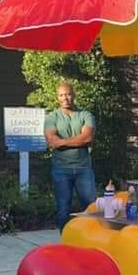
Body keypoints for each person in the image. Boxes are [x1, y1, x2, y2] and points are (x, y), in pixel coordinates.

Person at [44, 81, 96, 232]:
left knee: (90, 206)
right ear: (57, 98)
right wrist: (77, 140)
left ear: (74, 95)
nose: (65, 98)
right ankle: (64, 240)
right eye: (61, 95)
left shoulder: (85, 115)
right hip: (61, 169)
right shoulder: (51, 117)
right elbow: (52, 142)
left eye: (67, 94)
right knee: (63, 207)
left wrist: (63, 142)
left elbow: (87, 138)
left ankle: (89, 237)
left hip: (83, 169)